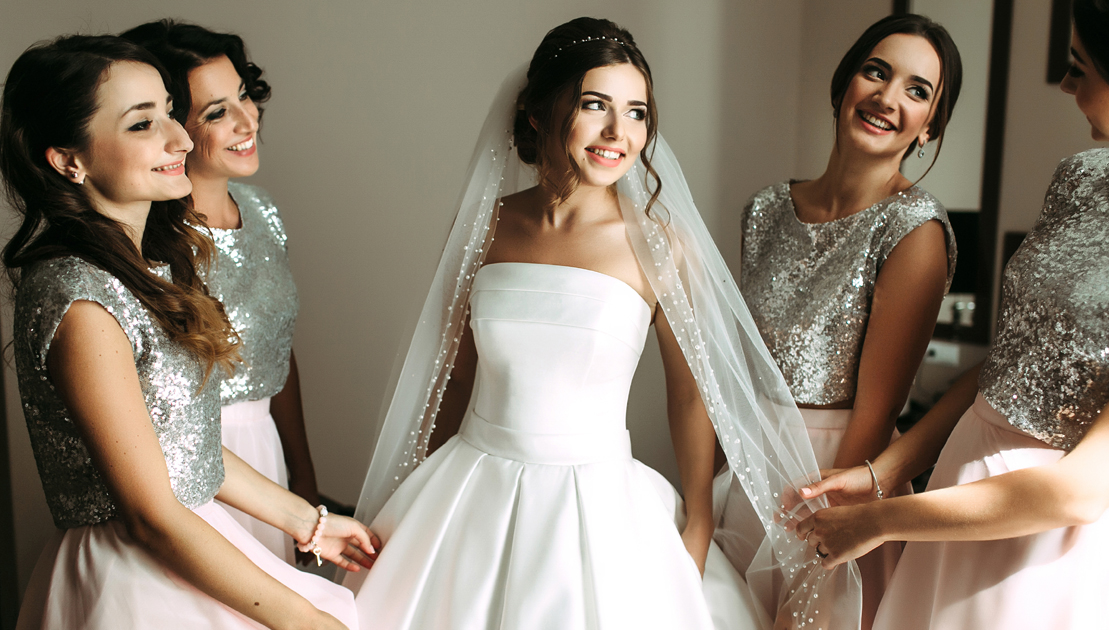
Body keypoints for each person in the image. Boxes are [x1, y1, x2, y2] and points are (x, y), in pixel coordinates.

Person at [347, 17, 860, 630]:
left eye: (637, 112)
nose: (620, 133)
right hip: (472, 483)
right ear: (540, 112)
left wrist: (698, 517)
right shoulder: (486, 224)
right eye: (595, 106)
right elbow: (454, 378)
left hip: (598, 502)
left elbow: (691, 390)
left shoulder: (661, 243)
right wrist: (417, 499)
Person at [788, 1, 1109, 628]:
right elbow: (1007, 365)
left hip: (1044, 533)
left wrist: (880, 521)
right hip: (957, 482)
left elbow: (1081, 490)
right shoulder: (1083, 178)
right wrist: (887, 471)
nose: (1066, 84)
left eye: (1078, 69)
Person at [2, 35, 376, 630]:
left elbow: (183, 446)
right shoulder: (79, 297)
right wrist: (305, 620)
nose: (179, 138)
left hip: (188, 543)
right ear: (68, 159)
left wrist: (308, 521)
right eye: (142, 124)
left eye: (171, 113)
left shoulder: (141, 268)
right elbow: (152, 514)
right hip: (134, 579)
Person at [715, 14, 959, 627]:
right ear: (843, 84)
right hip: (747, 467)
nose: (887, 97)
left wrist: (821, 533)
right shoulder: (766, 209)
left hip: (835, 479)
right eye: (876, 72)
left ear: (929, 127)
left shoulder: (915, 229)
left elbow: (877, 417)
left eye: (916, 90)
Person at [121, 20, 319, 563]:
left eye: (243, 96)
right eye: (215, 112)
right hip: (191, 461)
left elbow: (276, 350)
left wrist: (303, 479)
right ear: (173, 127)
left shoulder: (263, 213)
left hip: (267, 456)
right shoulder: (146, 245)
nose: (246, 119)